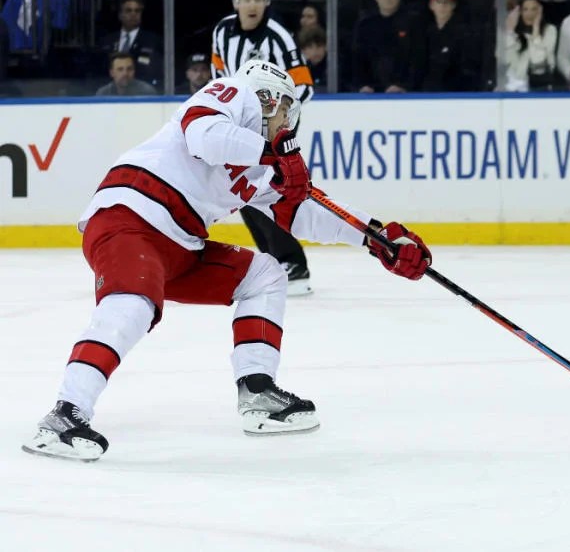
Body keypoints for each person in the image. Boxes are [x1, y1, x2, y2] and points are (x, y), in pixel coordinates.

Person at [21, 59, 432, 463]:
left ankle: (257, 389)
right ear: (272, 99)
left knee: (265, 276)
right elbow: (205, 135)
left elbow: (302, 209)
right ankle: (65, 414)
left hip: (181, 244)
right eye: (287, 112)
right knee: (132, 303)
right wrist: (271, 151)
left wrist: (376, 237)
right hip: (131, 216)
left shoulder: (263, 163)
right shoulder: (234, 94)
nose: (288, 124)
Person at [212, 0, 316, 296]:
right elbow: (220, 77)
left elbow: (304, 86)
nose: (251, 5)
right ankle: (275, 259)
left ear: (267, 2)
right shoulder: (221, 33)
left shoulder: (279, 37)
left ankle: (293, 263)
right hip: (239, 128)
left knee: (269, 193)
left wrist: (278, 124)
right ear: (235, 3)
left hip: (272, 131)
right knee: (242, 193)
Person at [352, 0, 414, 93]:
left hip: (405, 93)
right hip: (371, 93)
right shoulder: (365, 25)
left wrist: (404, 86)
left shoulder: (413, 23)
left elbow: (417, 59)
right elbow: (357, 59)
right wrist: (363, 85)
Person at [409, 0, 478, 92]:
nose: (442, 6)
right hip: (428, 93)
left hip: (454, 93)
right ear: (431, 5)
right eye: (438, 1)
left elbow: (466, 68)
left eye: (446, 2)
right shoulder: (425, 33)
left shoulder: (464, 33)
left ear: (453, 5)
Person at [99, 0, 163, 90]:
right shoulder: (107, 41)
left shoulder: (152, 41)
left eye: (137, 11)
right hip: (112, 92)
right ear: (120, 15)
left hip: (141, 91)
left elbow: (155, 70)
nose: (133, 14)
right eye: (128, 10)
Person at [503, 0, 558, 92]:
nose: (530, 14)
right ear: (519, 12)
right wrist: (510, 32)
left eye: (534, 9)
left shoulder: (549, 30)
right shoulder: (512, 33)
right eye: (525, 9)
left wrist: (536, 30)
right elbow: (507, 62)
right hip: (515, 89)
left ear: (540, 11)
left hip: (541, 87)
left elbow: (538, 62)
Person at [297, 24, 328, 93]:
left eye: (319, 46)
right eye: (310, 47)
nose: (315, 51)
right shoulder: (298, 69)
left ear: (326, 47)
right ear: (303, 50)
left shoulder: (333, 69)